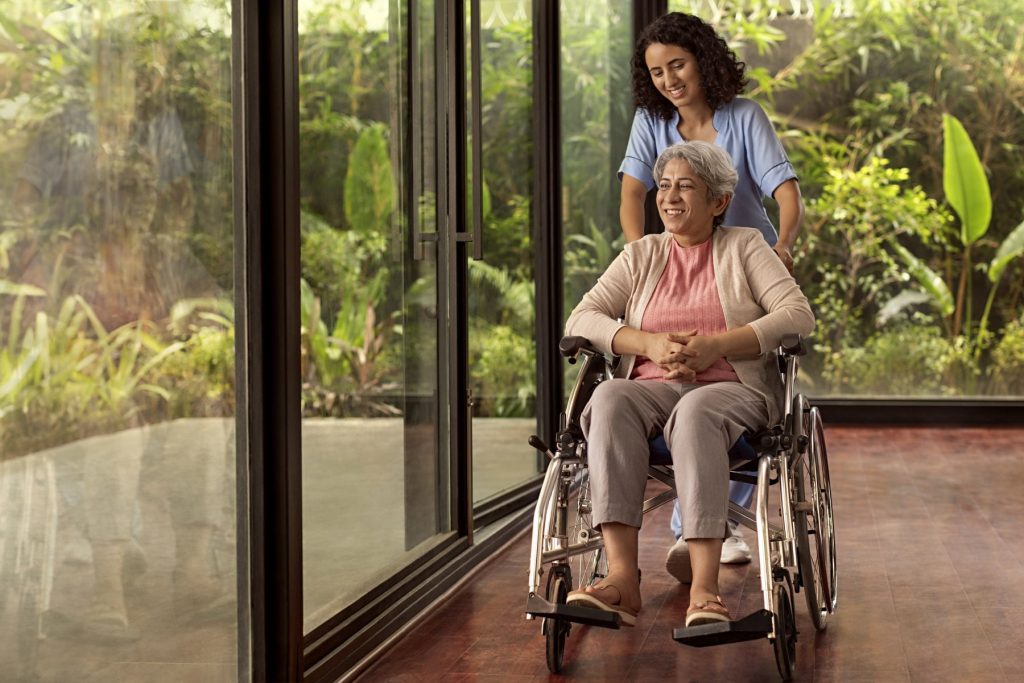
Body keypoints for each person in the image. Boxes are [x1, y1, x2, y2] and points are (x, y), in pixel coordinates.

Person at [565, 141, 814, 627]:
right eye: (663, 185)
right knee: (610, 396)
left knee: (696, 410)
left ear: (719, 201)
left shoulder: (745, 247)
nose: (669, 196)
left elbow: (798, 316)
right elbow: (583, 315)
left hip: (731, 391)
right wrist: (648, 344)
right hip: (650, 388)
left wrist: (718, 345)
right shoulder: (641, 254)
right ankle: (621, 579)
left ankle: (704, 589)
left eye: (685, 186)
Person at [618, 12, 805, 577]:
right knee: (672, 382)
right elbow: (632, 194)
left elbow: (786, 193)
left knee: (731, 382)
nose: (669, 79)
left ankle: (707, 526)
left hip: (744, 270)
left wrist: (784, 246)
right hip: (679, 265)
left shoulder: (744, 118)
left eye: (678, 64)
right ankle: (700, 530)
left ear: (704, 60)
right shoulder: (651, 121)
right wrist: (646, 256)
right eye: (657, 71)